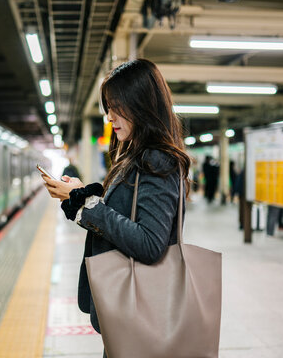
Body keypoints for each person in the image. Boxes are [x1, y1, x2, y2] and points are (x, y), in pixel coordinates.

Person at [41, 59, 191, 358]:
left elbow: (150, 243)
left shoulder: (156, 160)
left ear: (141, 104)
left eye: (116, 107)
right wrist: (79, 194)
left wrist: (86, 202)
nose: (110, 117)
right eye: (108, 108)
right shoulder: (135, 155)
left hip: (140, 311)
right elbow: (124, 213)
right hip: (129, 309)